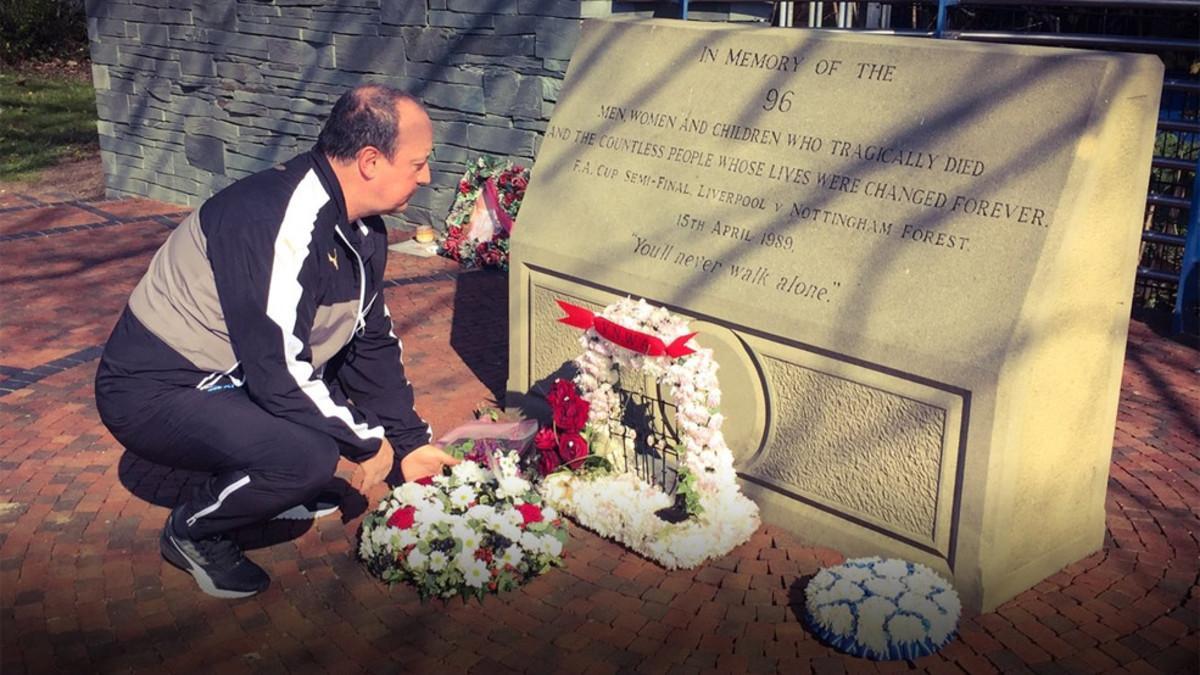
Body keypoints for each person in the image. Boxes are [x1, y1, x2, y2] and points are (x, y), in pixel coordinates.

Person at [94, 85, 460, 598]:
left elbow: (368, 343)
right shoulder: (280, 222)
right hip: (155, 390)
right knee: (305, 457)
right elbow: (278, 371)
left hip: (237, 375)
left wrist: (408, 445)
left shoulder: (363, 230)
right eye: (418, 163)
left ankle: (268, 475)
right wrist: (364, 441)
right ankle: (194, 529)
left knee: (321, 418)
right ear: (371, 161)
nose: (426, 176)